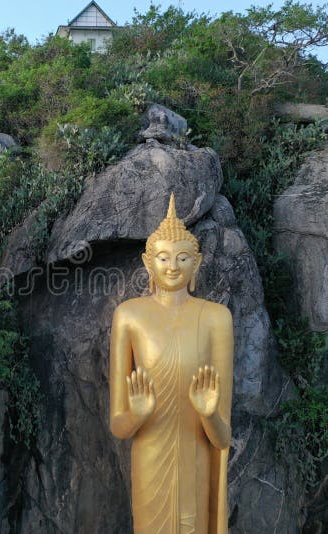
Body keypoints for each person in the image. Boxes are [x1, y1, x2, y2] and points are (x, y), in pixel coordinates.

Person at [109, 194, 233, 534]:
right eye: (163, 258)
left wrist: (208, 413)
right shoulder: (129, 316)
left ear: (197, 264)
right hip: (150, 461)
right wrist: (137, 414)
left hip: (195, 461)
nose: (173, 266)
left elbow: (222, 440)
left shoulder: (216, 319)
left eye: (183, 258)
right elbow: (118, 426)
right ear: (148, 264)